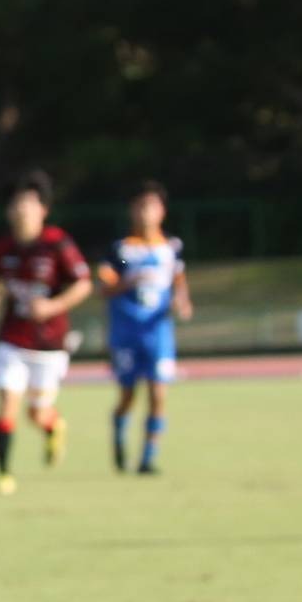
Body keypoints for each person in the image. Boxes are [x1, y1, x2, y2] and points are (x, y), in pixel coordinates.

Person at [0, 171, 92, 493]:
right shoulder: (1, 248)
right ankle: (4, 475)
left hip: (49, 343)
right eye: (16, 204)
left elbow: (83, 284)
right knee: (6, 406)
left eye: (29, 204)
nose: (21, 210)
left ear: (43, 209)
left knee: (37, 413)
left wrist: (52, 307)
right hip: (12, 339)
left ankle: (53, 426)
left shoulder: (57, 244)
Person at [97, 180, 192, 475]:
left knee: (158, 393)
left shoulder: (171, 248)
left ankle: (148, 458)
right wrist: (129, 281)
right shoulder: (124, 250)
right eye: (140, 206)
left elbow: (178, 282)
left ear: (162, 211)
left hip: (158, 331)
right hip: (127, 331)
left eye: (151, 206)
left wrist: (182, 302)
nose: (145, 213)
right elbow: (105, 283)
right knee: (128, 395)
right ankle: (119, 433)